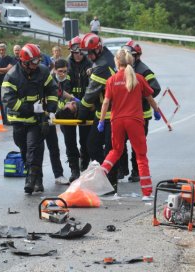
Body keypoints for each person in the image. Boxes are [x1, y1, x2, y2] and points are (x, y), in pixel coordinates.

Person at [98, 49, 160, 201]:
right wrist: (157, 111)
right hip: (135, 121)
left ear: (117, 62)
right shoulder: (138, 78)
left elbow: (106, 102)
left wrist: (101, 121)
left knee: (115, 151)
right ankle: (146, 193)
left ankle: (97, 179)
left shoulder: (112, 80)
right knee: (141, 156)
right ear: (131, 61)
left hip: (117, 121)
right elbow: (150, 98)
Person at [3, 43, 58, 194]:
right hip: (19, 120)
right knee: (25, 150)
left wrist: (52, 109)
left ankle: (32, 180)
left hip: (36, 120)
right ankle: (36, 178)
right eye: (34, 61)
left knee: (34, 149)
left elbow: (52, 89)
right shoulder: (12, 75)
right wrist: (30, 108)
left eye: (38, 60)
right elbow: (8, 99)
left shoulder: (42, 71)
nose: (37, 64)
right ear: (24, 62)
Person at [77, 33, 118, 193]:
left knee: (108, 149)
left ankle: (110, 183)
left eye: (89, 53)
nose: (88, 56)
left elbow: (89, 97)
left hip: (111, 115)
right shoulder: (105, 59)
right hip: (102, 114)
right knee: (92, 145)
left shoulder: (102, 66)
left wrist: (80, 114)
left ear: (97, 49)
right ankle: (104, 177)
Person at [119, 40, 162, 181]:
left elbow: (155, 88)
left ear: (136, 56)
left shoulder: (144, 71)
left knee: (137, 145)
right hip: (125, 114)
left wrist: (140, 98)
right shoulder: (122, 69)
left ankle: (136, 172)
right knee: (121, 143)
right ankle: (122, 169)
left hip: (142, 114)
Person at [65, 36, 93, 179]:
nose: (78, 54)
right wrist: (71, 101)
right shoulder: (65, 65)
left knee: (85, 140)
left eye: (81, 51)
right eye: (76, 52)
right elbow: (62, 86)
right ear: (71, 51)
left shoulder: (91, 64)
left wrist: (85, 103)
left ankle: (85, 162)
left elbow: (93, 86)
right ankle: (74, 170)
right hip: (69, 108)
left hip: (86, 107)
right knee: (70, 142)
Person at [50, 59, 78, 184]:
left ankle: (75, 170)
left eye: (65, 71)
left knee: (70, 142)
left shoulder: (70, 79)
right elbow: (57, 92)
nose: (62, 74)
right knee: (53, 146)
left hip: (68, 114)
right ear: (55, 70)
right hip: (52, 114)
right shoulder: (50, 79)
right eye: (60, 71)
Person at [0, 43, 14, 124]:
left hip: (6, 83)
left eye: (3, 50)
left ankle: (7, 119)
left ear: (5, 50)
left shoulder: (10, 59)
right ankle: (1, 119)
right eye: (0, 50)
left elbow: (9, 69)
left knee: (6, 101)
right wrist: (4, 70)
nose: (1, 51)